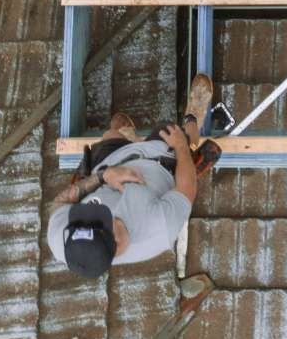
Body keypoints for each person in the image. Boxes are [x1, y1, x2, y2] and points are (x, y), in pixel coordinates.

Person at [45, 74, 217, 278]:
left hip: (112, 163)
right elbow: (187, 189)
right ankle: (193, 118)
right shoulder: (158, 229)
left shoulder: (63, 241)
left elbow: (59, 204)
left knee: (113, 131)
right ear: (116, 243)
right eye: (101, 219)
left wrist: (103, 176)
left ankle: (125, 137)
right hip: (160, 160)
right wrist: (180, 146)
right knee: (176, 132)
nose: (93, 211)